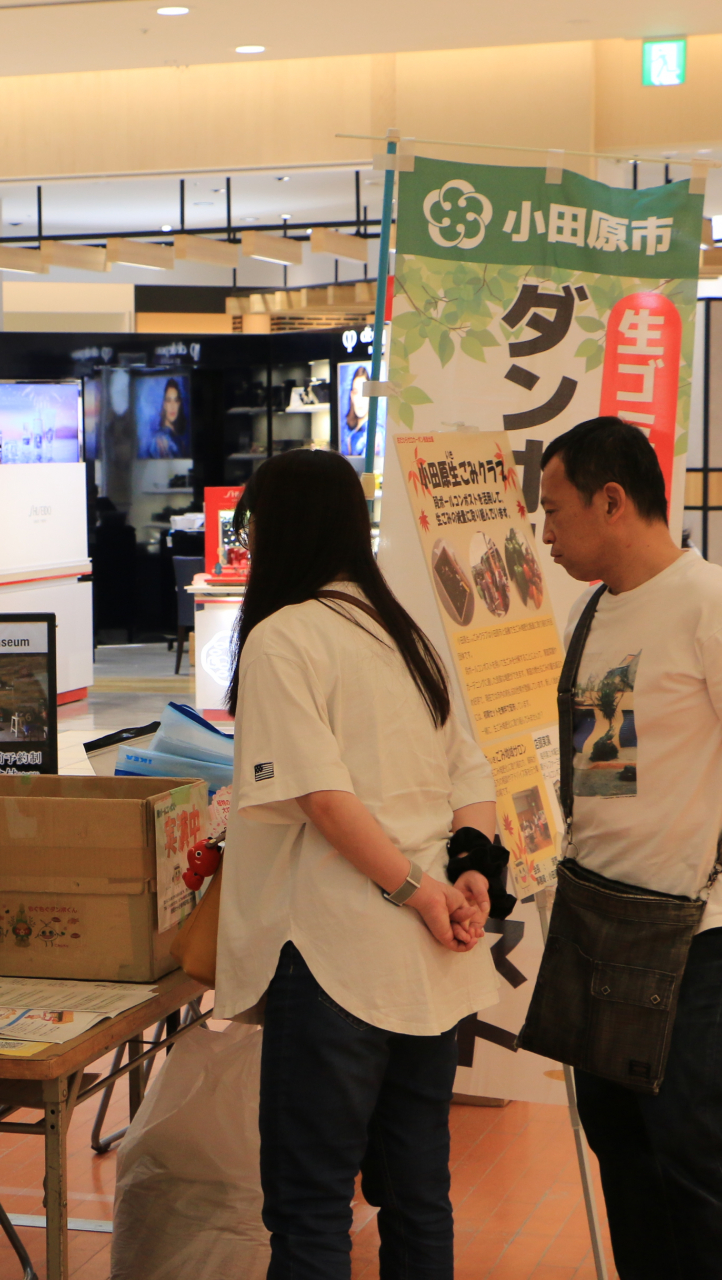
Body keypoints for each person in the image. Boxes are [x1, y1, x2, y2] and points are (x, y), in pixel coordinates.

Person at [537, 416, 722, 1279]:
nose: (544, 532)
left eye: (554, 509)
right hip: (602, 916)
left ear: (612, 501)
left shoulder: (719, 610)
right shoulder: (598, 609)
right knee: (621, 1139)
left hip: (699, 928)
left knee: (696, 1145)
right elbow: (606, 768)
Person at [214, 448, 501, 1280]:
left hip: (337, 954)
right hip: (430, 963)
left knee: (310, 1205)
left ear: (277, 529)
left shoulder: (283, 637)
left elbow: (326, 802)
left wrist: (418, 894)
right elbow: (469, 774)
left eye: (250, 527)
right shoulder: (404, 632)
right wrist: (470, 873)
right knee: (418, 1194)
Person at [141, 376, 188, 458]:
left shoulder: (179, 440)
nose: (172, 406)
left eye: (176, 401)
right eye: (169, 401)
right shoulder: (159, 439)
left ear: (179, 404)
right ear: (164, 404)